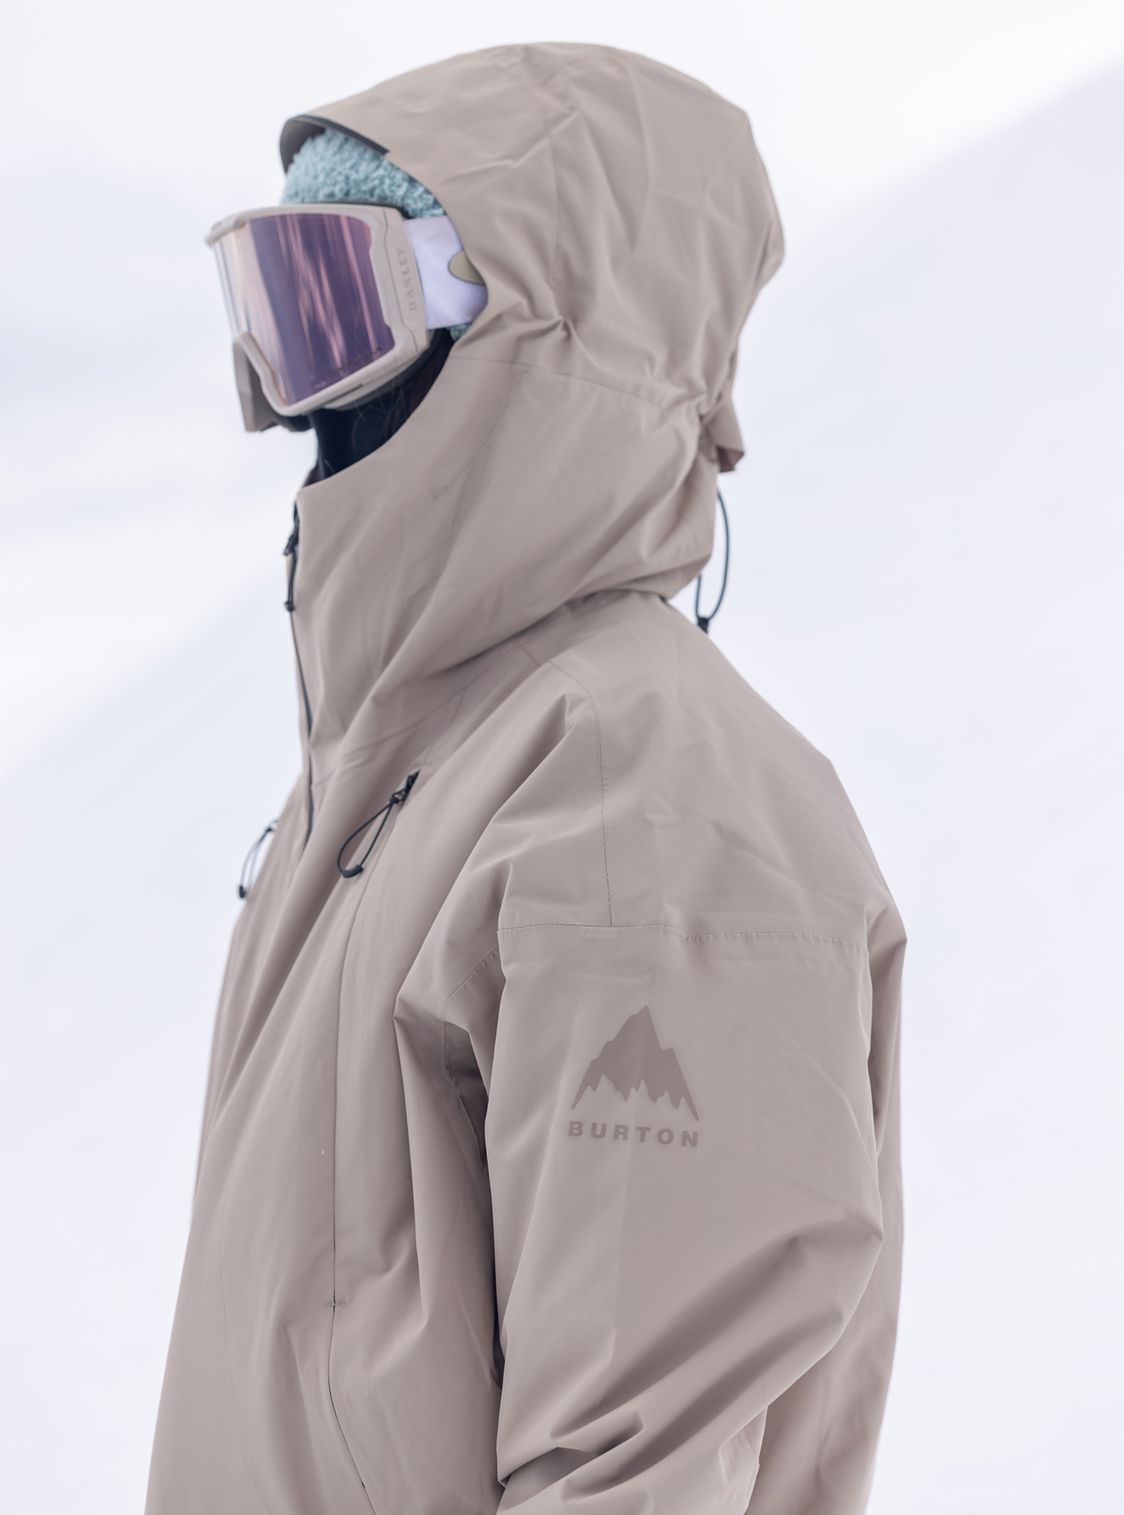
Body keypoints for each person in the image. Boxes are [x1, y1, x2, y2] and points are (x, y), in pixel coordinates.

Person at [144, 40, 907, 1515]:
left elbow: (639, 1461)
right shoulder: (389, 781)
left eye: (342, 300)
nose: (304, 391)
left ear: (544, 327)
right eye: (281, 309)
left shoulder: (641, 799)